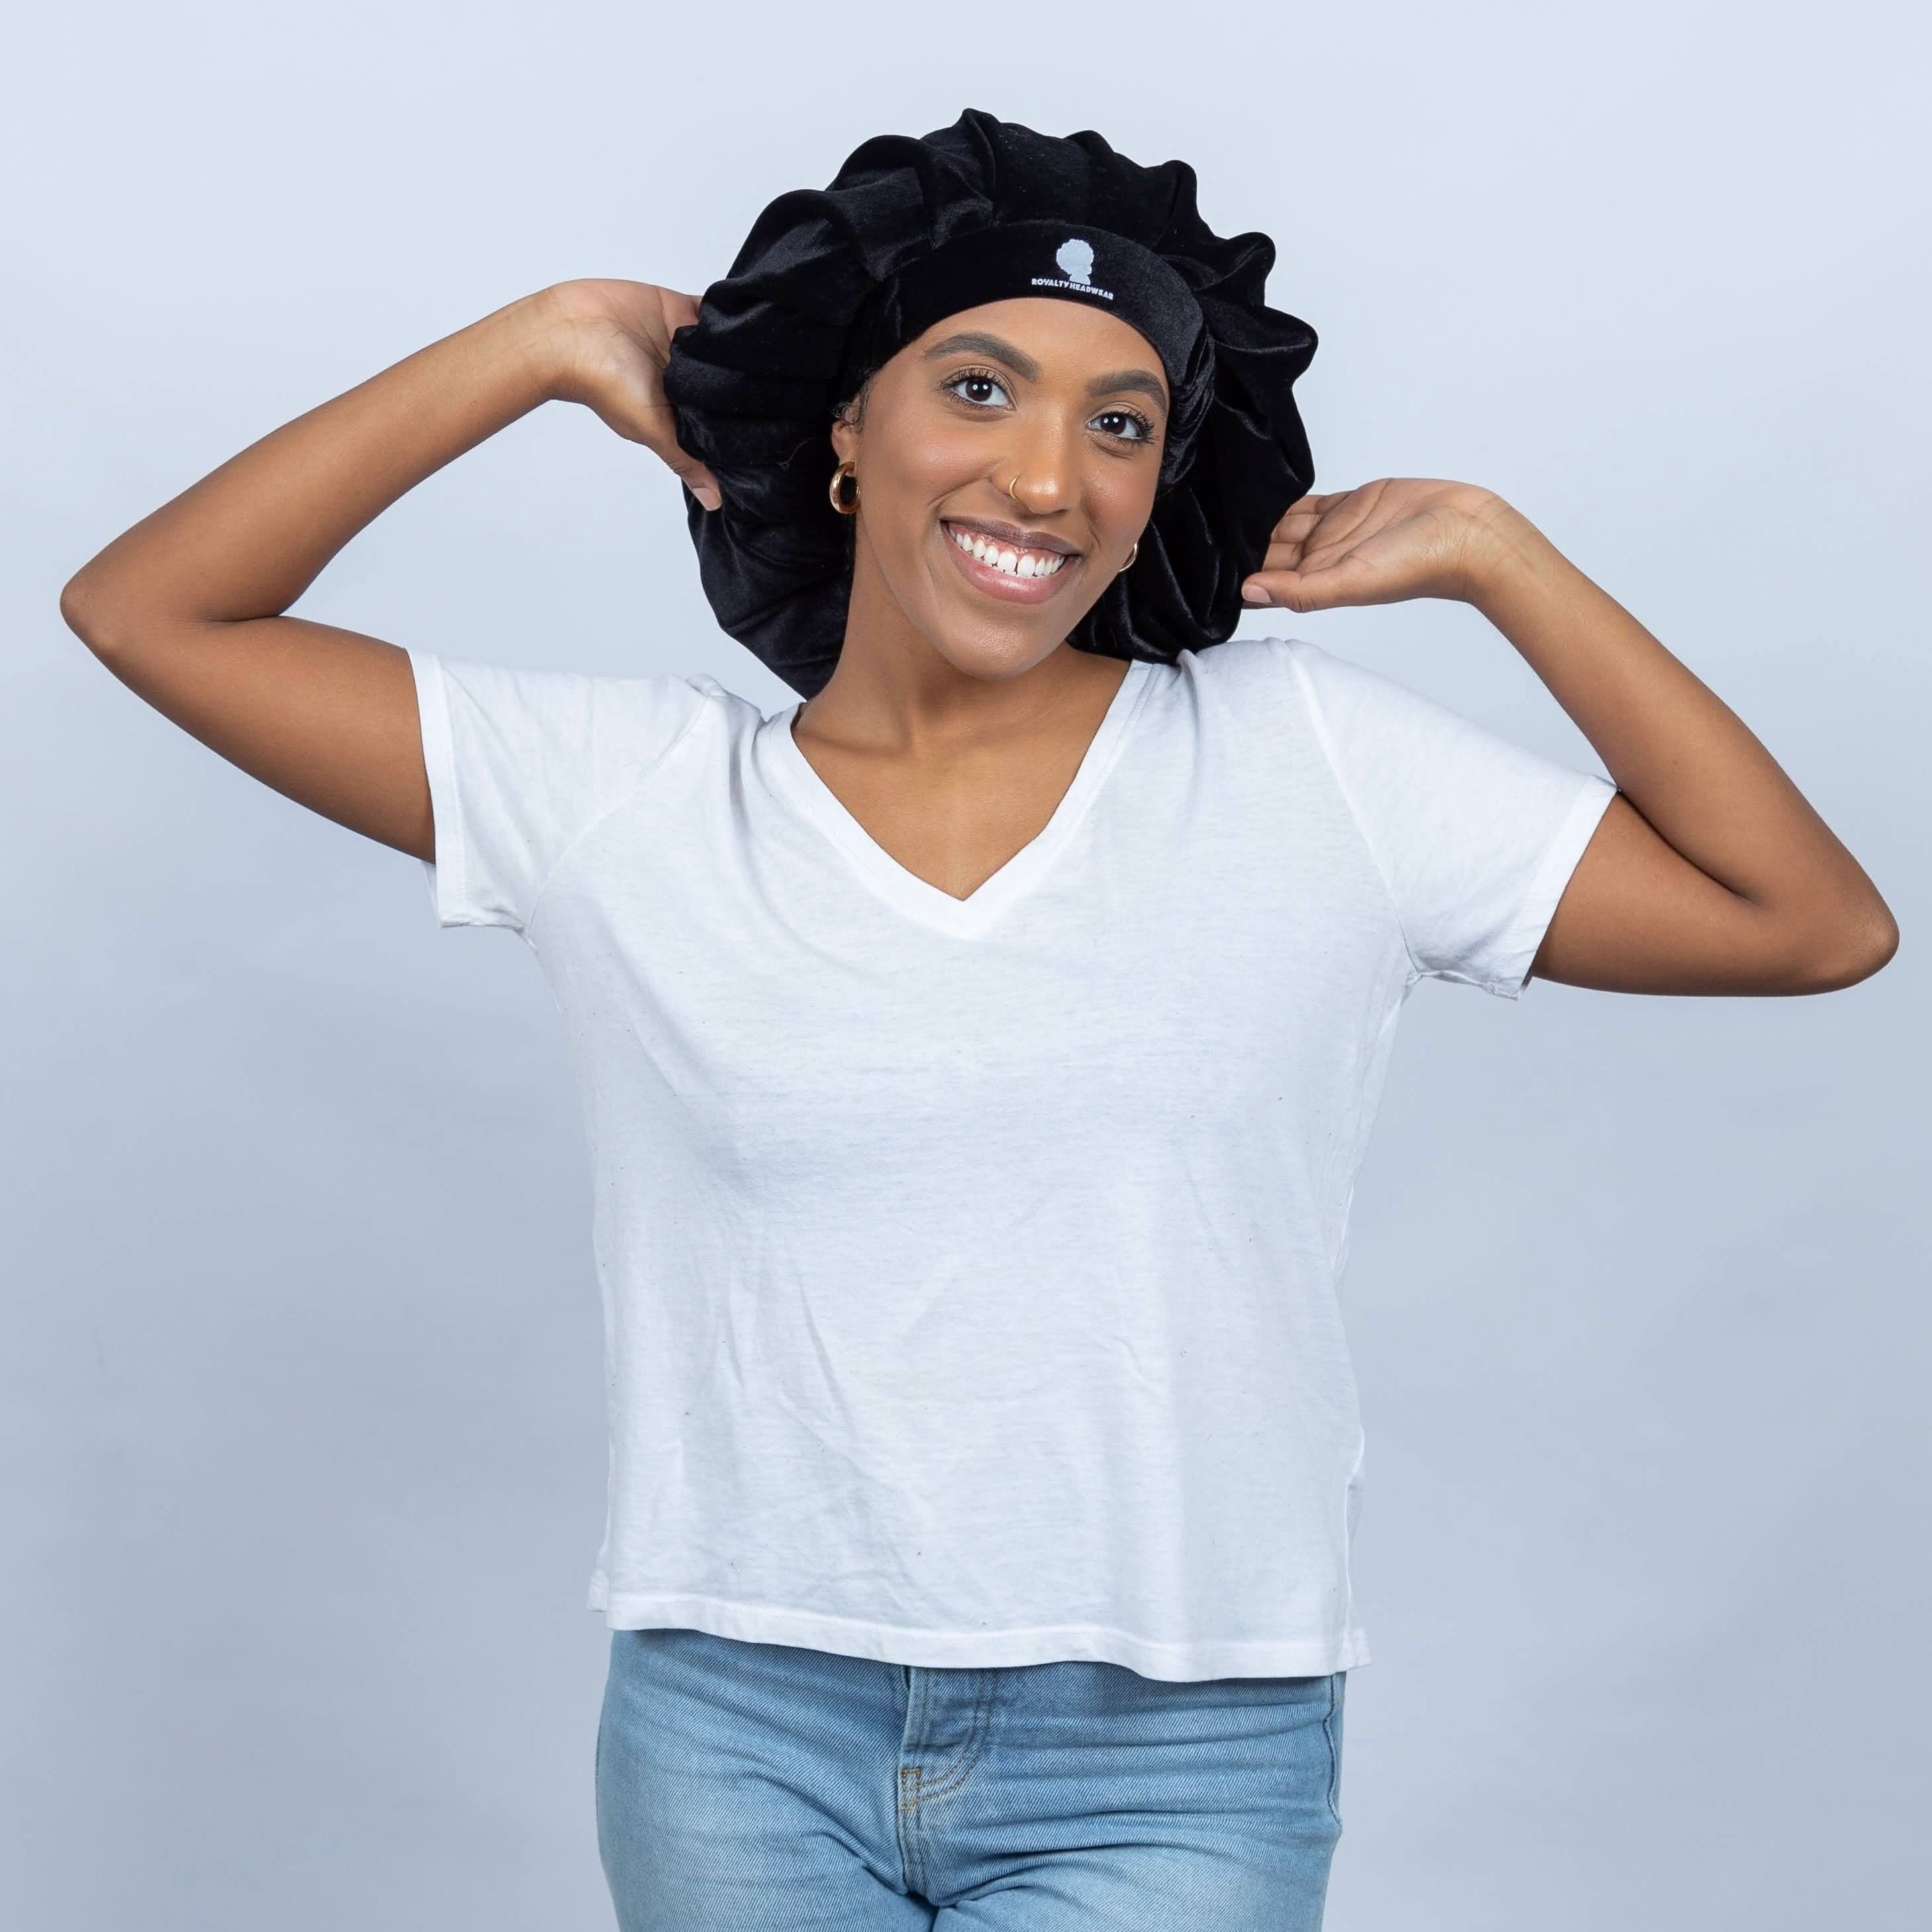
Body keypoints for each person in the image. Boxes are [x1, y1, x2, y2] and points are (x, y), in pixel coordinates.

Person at [60, 108, 1896, 1932]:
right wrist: (538, 341)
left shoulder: (1304, 763)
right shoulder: (632, 802)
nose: (1045, 478)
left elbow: (1808, 922)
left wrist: (1503, 555)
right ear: (846, 432)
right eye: (979, 388)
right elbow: (151, 612)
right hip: (742, 1732)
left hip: (1181, 1751)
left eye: (1122, 425)